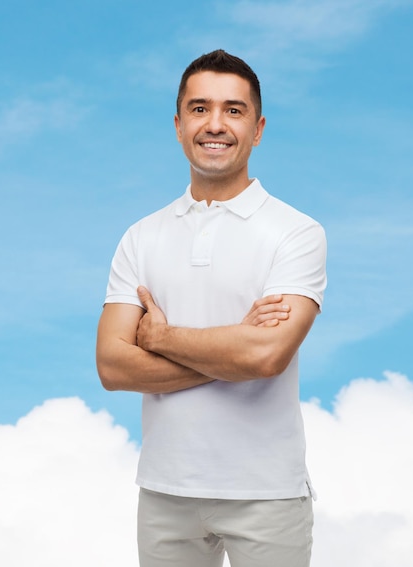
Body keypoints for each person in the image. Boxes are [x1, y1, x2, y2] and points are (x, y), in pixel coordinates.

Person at [96, 49, 327, 567]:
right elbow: (112, 366)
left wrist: (160, 338)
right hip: (163, 491)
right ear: (178, 125)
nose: (215, 125)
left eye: (234, 110)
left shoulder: (297, 233)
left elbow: (265, 357)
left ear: (258, 127)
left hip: (266, 494)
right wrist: (230, 348)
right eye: (199, 109)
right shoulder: (141, 237)